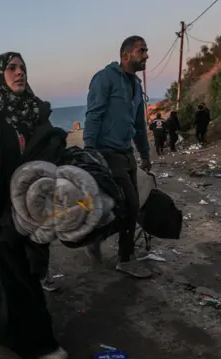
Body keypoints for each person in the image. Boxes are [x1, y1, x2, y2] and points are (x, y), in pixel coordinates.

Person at [0, 52, 67, 358]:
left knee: (26, 264)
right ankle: (41, 344)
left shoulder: (36, 110)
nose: (19, 73)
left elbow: (48, 147)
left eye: (23, 67)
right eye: (11, 68)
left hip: (28, 203)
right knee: (17, 272)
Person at [83, 35, 153, 279]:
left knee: (127, 206)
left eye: (146, 51)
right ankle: (125, 258)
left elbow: (139, 124)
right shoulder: (105, 79)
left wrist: (144, 153)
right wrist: (89, 152)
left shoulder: (136, 86)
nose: (146, 55)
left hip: (126, 153)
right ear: (126, 55)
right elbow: (93, 115)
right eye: (141, 51)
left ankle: (98, 239)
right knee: (130, 204)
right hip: (107, 153)